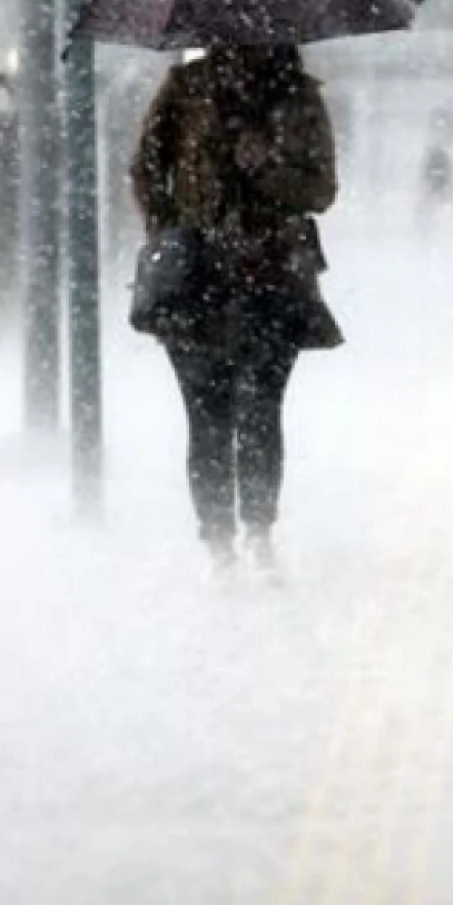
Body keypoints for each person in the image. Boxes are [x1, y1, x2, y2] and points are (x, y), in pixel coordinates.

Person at [130, 43, 343, 574]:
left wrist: (267, 166)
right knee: (207, 414)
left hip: (273, 275)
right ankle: (218, 540)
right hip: (196, 280)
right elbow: (146, 169)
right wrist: (171, 231)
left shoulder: (299, 97)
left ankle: (257, 530)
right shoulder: (185, 90)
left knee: (261, 408)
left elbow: (321, 190)